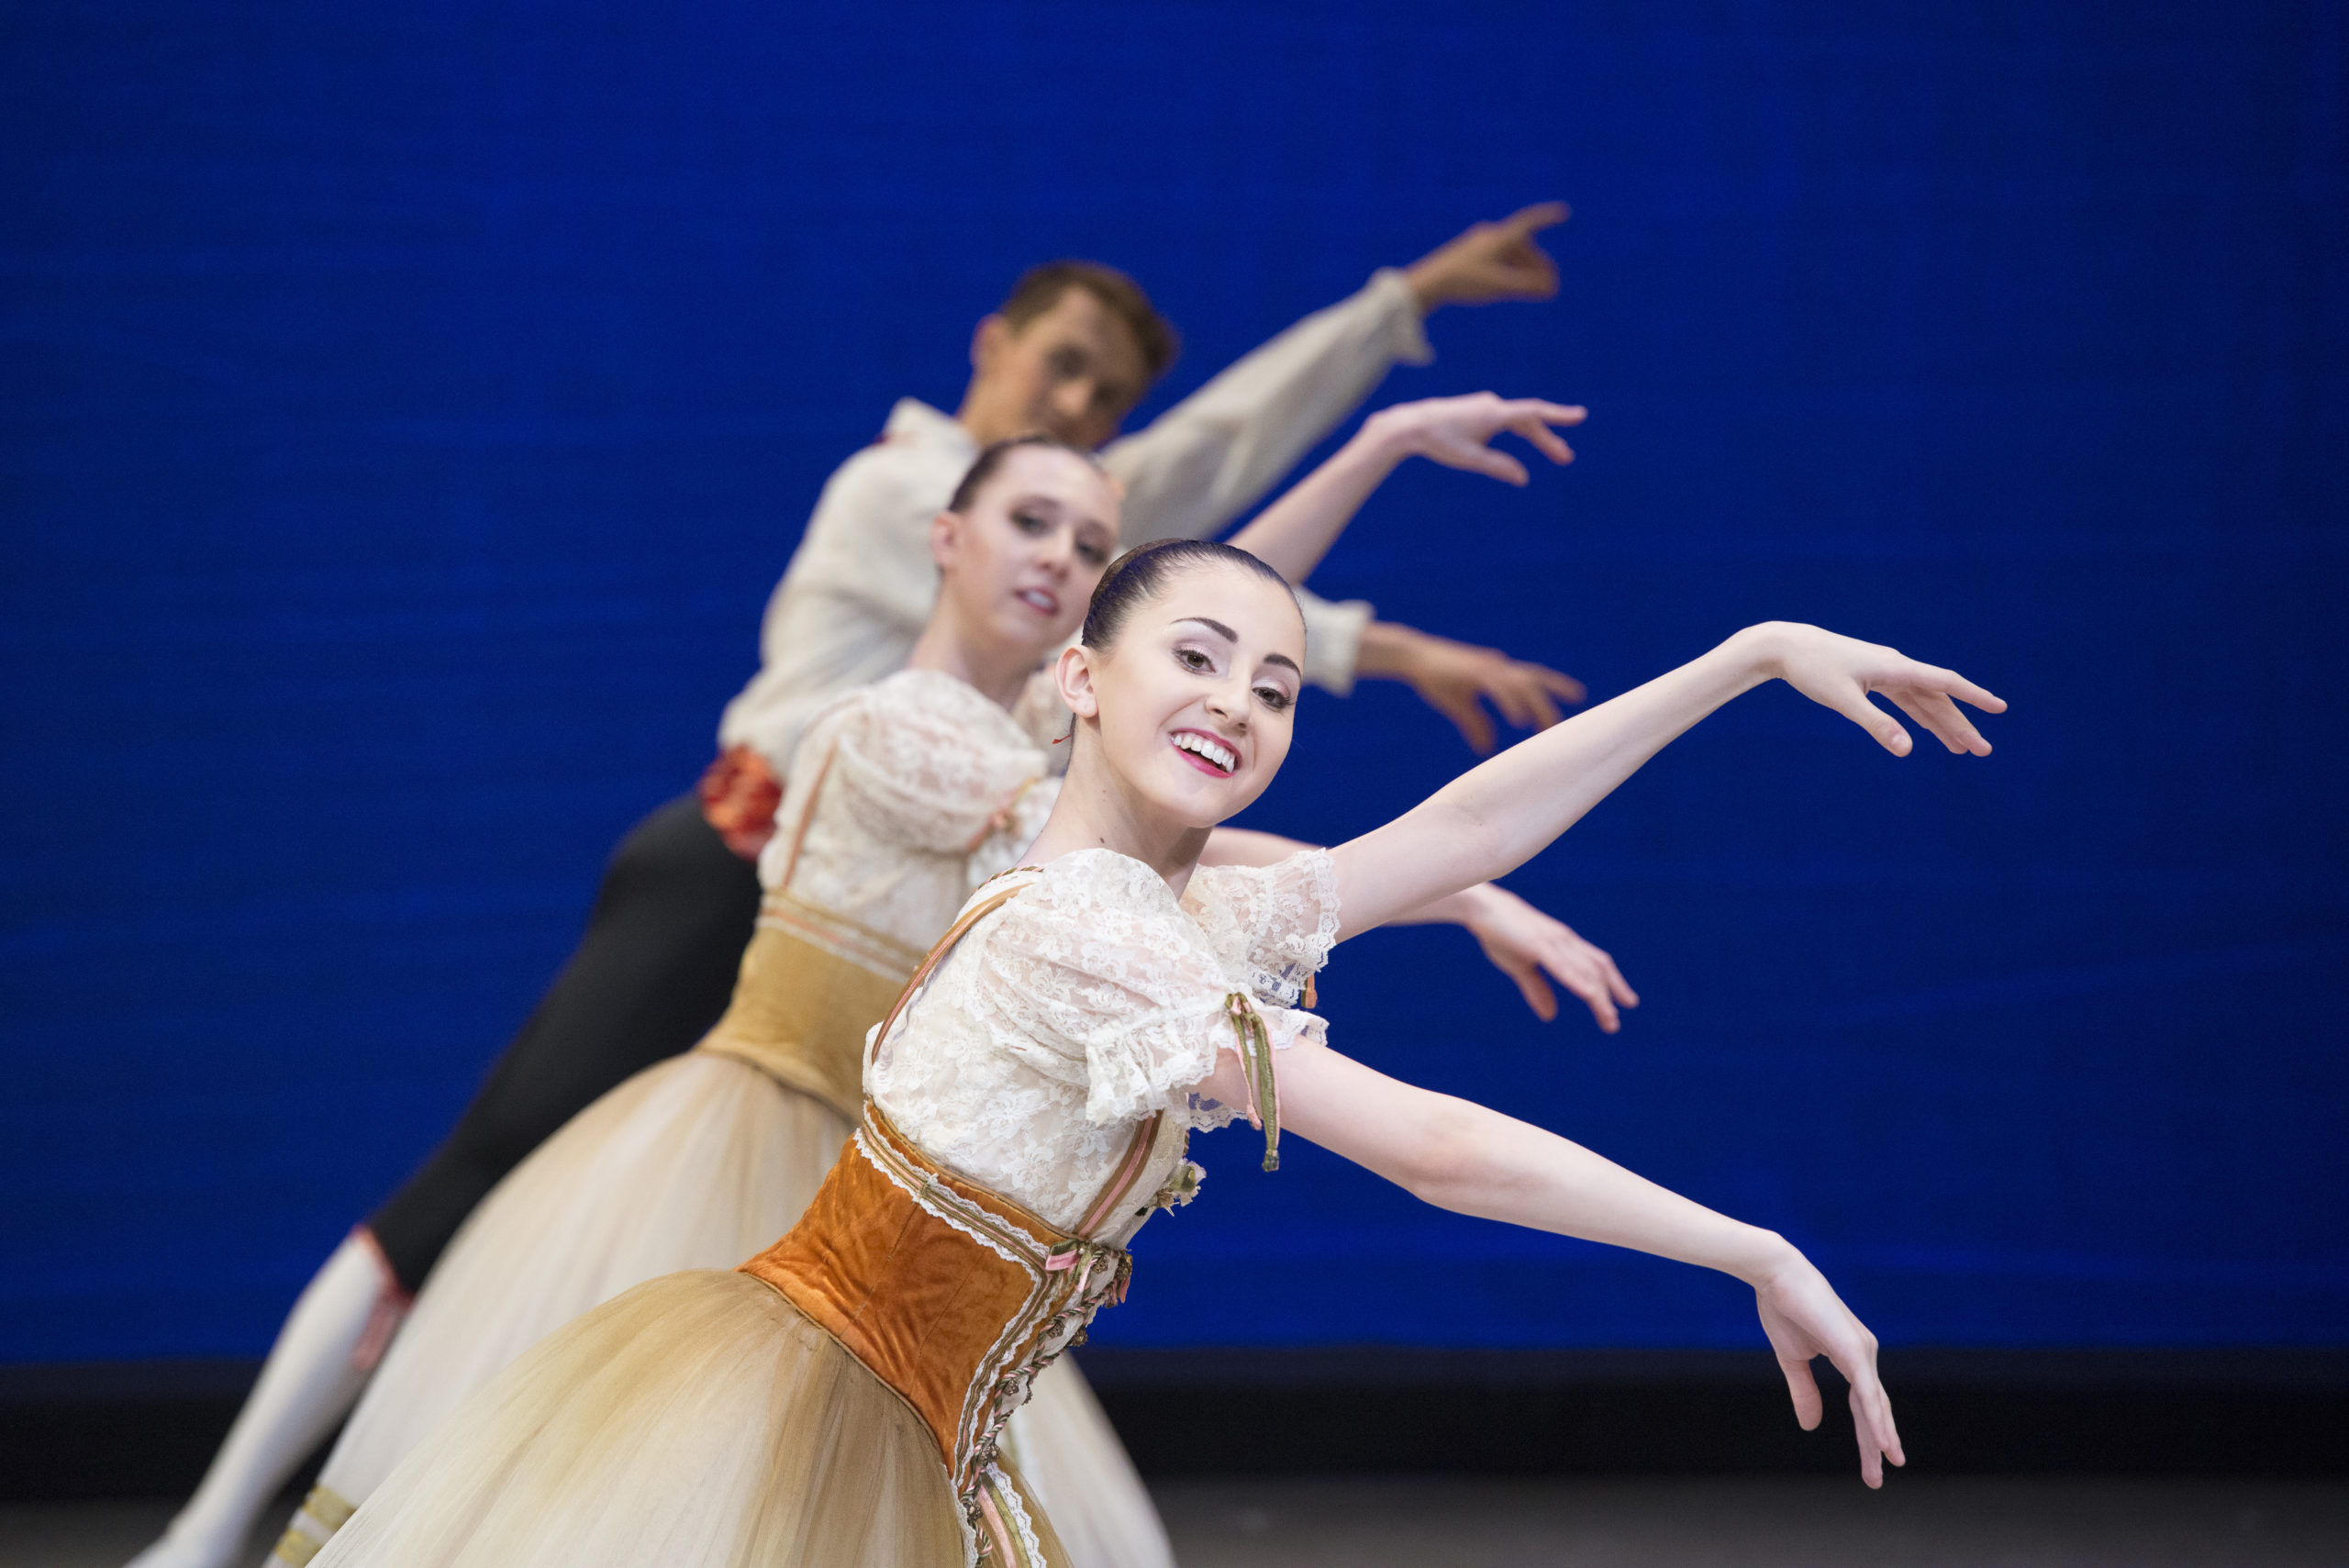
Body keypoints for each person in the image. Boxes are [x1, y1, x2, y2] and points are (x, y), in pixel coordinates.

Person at [126, 204, 1593, 1568]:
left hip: (898, 992)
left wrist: (1379, 630)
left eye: (1103, 412)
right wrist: (1393, 332)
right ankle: (213, 1520)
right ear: (991, 358)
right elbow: (1185, 521)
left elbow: (1186, 598)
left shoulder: (1051, 651)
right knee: (471, 1206)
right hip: (735, 885)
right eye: (1060, 371)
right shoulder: (906, 491)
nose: (1079, 424)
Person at [304, 539, 2000, 1568]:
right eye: (1196, 659)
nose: (1240, 706)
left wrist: (1747, 656)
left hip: (935, 1444)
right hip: (813, 1423)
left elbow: (1471, 818)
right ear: (1079, 679)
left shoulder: (1168, 918)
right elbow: (1432, 1147)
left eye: (1277, 687)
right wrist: (1749, 1245)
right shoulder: (1084, 934)